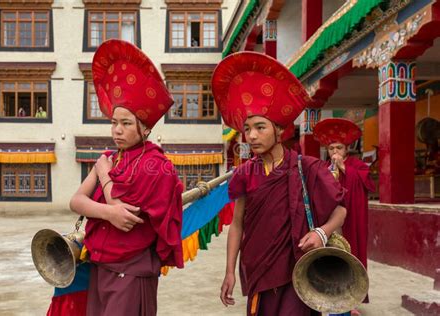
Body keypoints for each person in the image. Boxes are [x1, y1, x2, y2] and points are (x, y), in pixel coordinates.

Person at [212, 51, 347, 315]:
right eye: (247, 128)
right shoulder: (245, 173)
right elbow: (237, 223)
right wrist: (229, 270)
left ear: (279, 130)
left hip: (296, 270)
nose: (251, 135)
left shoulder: (307, 167)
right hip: (257, 271)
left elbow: (340, 210)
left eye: (260, 127)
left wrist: (322, 233)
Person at [69, 39, 184, 316]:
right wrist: (107, 208)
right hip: (101, 266)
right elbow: (75, 201)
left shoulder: (157, 166)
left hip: (132, 271)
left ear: (144, 129)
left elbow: (122, 211)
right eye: (113, 122)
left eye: (126, 123)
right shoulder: (110, 157)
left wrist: (104, 175)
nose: (117, 130)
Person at [313, 118, 376, 279]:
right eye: (331, 148)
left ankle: (353, 292)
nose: (335, 152)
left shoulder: (357, 165)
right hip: (329, 219)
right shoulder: (322, 167)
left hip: (351, 217)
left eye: (339, 148)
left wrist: (343, 168)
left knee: (352, 251)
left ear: (346, 149)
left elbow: (367, 185)